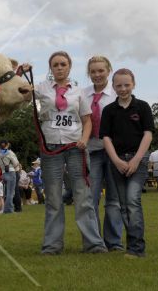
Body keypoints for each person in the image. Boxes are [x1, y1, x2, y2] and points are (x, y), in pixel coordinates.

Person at [22, 51, 107, 254]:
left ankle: (93, 244)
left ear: (69, 66)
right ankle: (52, 245)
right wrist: (21, 72)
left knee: (82, 196)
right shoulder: (41, 88)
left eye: (63, 64)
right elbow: (23, 92)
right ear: (51, 68)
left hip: (75, 147)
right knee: (53, 196)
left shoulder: (78, 93)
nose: (59, 68)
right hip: (51, 148)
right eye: (55, 65)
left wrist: (84, 141)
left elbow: (87, 121)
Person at [100, 68, 154, 258]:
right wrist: (116, 160)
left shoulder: (143, 107)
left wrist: (137, 159)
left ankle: (138, 249)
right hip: (116, 161)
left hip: (138, 160)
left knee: (133, 201)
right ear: (113, 86)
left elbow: (148, 134)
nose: (123, 89)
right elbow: (105, 137)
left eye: (126, 85)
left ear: (133, 84)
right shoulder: (109, 111)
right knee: (123, 205)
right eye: (118, 85)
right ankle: (132, 247)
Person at [83, 56, 123, 251]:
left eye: (101, 70)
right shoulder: (83, 94)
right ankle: (94, 242)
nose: (97, 75)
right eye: (93, 71)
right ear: (88, 73)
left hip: (113, 151)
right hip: (91, 151)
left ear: (109, 70)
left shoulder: (118, 94)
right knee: (90, 198)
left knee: (114, 200)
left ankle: (114, 242)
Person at [0, 140, 20, 214]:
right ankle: (9, 210)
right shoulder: (10, 152)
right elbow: (16, 163)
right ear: (7, 145)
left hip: (4, 172)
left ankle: (7, 209)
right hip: (11, 171)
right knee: (11, 192)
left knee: (8, 192)